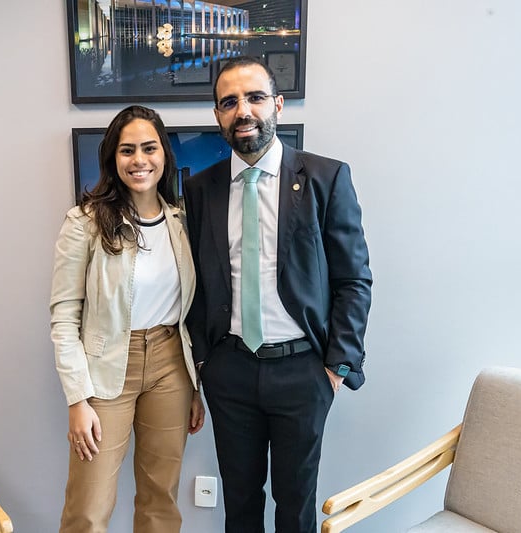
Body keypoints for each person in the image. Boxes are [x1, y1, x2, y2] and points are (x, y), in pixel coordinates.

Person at [184, 56, 373, 533]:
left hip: (303, 371)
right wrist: (205, 362)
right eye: (229, 102)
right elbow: (198, 285)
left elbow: (354, 279)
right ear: (217, 117)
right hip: (230, 370)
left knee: (296, 504)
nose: (242, 110)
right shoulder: (200, 191)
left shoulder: (326, 179)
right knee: (241, 505)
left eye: (254, 97)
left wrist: (336, 366)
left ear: (278, 106)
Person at [49, 105, 205, 533]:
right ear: (112, 159)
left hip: (172, 365)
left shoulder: (181, 221)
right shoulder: (84, 222)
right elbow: (64, 317)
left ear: (164, 156)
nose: (140, 160)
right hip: (104, 372)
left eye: (149, 148)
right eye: (127, 150)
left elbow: (194, 310)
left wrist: (195, 384)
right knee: (88, 506)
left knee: (160, 498)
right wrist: (77, 399)